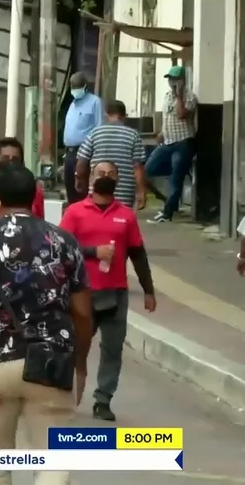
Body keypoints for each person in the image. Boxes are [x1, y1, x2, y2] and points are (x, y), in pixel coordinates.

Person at [0, 165, 92, 485]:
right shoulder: (64, 242)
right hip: (52, 362)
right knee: (53, 460)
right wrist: (80, 362)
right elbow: (83, 312)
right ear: (35, 199)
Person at [60, 160, 157, 422]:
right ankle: (63, 396)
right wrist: (94, 252)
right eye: (100, 173)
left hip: (115, 293)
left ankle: (103, 399)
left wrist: (149, 290)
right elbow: (61, 251)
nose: (105, 177)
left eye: (111, 174)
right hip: (81, 293)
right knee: (75, 347)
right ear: (91, 177)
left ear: (117, 179)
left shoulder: (126, 215)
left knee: (112, 350)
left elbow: (138, 253)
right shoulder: (75, 212)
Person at [146, 65, 198, 223]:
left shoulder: (189, 96)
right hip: (167, 142)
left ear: (182, 80)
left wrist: (179, 95)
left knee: (176, 179)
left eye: (175, 79)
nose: (172, 82)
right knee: (148, 168)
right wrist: (162, 132)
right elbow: (167, 116)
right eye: (170, 78)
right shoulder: (167, 95)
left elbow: (182, 114)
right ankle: (168, 198)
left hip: (183, 143)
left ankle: (167, 213)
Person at [75, 99, 148, 209]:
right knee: (120, 222)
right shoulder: (134, 135)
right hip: (124, 194)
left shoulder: (95, 133)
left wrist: (79, 179)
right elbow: (138, 167)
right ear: (124, 116)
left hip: (98, 191)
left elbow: (82, 161)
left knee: (96, 220)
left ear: (106, 115)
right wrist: (141, 192)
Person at [63, 71, 103, 204]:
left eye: (77, 87)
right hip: (69, 152)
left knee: (82, 188)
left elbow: (99, 128)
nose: (75, 91)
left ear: (85, 87)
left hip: (84, 152)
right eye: (73, 87)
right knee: (70, 187)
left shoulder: (94, 102)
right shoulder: (73, 104)